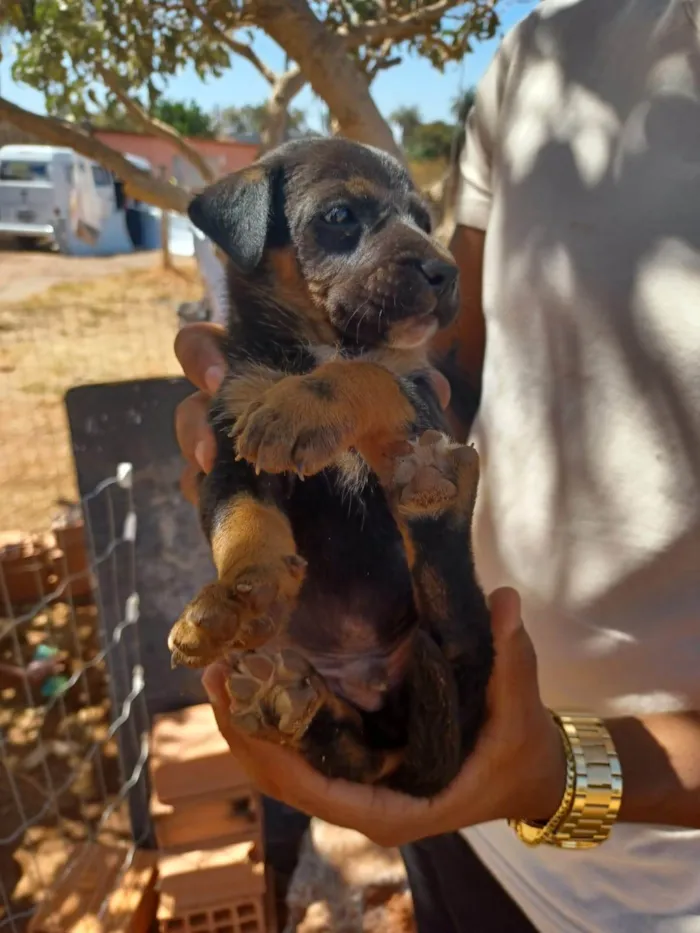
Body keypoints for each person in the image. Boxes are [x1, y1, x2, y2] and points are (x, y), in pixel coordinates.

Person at [173, 0, 700, 928]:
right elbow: (454, 366)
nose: (421, 254)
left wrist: (553, 772)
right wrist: (246, 499)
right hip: (461, 815)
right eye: (347, 221)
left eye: (415, 222)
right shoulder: (547, 48)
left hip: (657, 885)